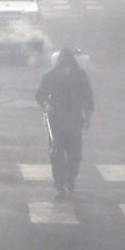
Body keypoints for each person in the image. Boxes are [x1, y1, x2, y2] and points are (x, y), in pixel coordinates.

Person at [35, 47, 94, 198]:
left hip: (74, 120)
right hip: (56, 121)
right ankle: (60, 183)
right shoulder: (50, 75)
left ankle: (70, 179)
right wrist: (47, 105)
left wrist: (87, 116)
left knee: (74, 154)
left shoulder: (80, 76)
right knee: (56, 153)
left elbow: (87, 97)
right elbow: (40, 95)